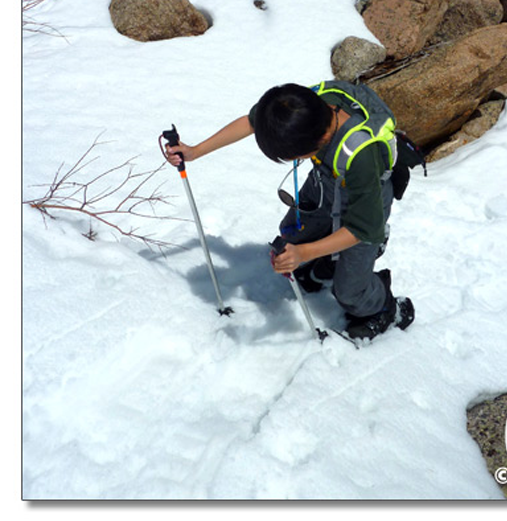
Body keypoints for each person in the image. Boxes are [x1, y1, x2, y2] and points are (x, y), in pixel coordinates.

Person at [165, 80, 414, 340]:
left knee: (349, 293)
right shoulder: (303, 106)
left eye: (295, 157)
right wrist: (194, 152)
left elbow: (362, 227)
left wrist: (303, 252)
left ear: (321, 140)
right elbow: (252, 122)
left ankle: (385, 308)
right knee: (290, 237)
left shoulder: (359, 153)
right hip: (325, 184)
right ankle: (329, 259)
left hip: (365, 202)